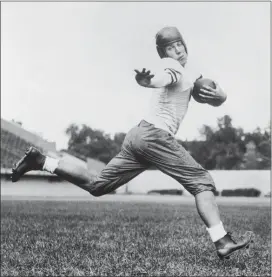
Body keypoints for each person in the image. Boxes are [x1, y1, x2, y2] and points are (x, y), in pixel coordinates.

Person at [11, 26, 253, 260]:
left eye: (180, 44)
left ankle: (42, 161)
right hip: (155, 136)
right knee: (202, 182)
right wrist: (146, 82)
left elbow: (210, 94)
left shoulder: (189, 75)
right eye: (171, 48)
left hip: (139, 135)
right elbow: (162, 77)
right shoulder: (172, 67)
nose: (178, 50)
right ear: (163, 54)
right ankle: (221, 241)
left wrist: (222, 96)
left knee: (98, 186)